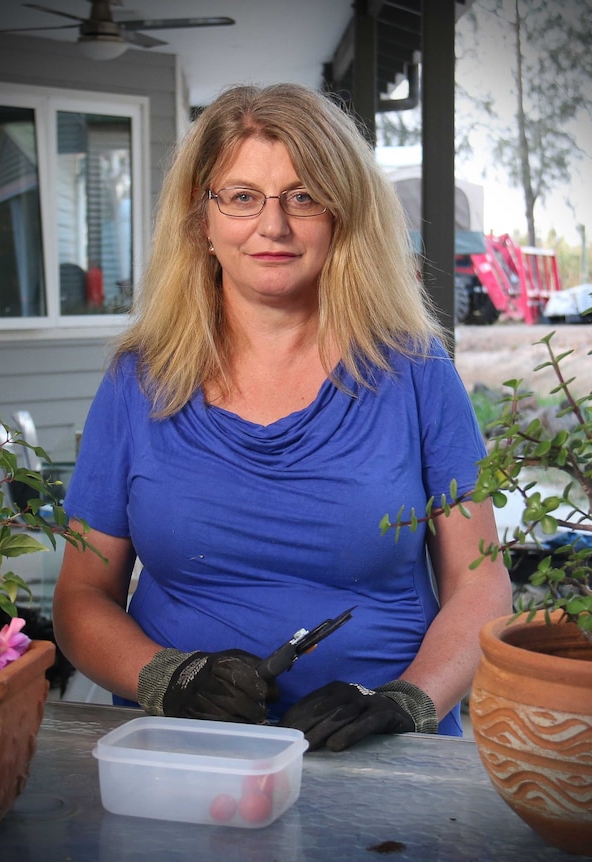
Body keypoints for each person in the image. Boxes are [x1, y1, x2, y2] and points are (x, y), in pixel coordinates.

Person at [52, 82, 512, 752]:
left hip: (382, 756)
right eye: (242, 197)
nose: (273, 226)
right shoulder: (137, 382)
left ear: (343, 214)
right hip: (185, 753)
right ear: (200, 219)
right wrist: (166, 678)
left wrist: (408, 702)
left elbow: (481, 581)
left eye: (304, 197)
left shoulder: (416, 371)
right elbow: (80, 598)